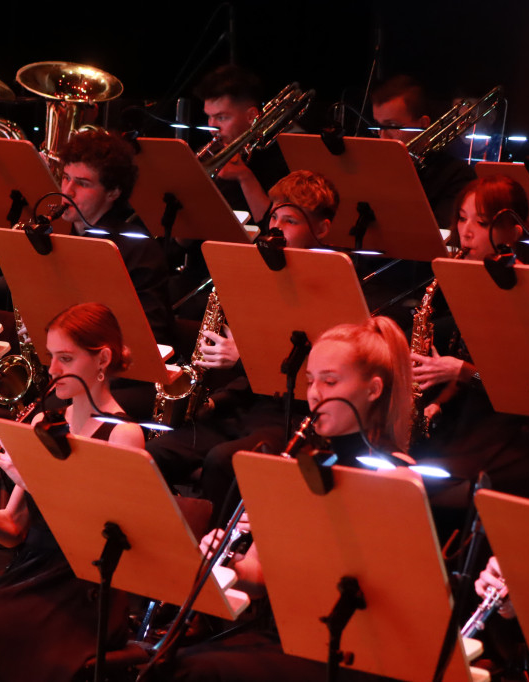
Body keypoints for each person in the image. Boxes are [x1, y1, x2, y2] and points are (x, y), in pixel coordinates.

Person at [165, 318, 412, 682]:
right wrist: (227, 562)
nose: (314, 394)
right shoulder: (298, 462)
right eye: (310, 381)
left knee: (196, 672)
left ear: (373, 389)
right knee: (167, 662)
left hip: (355, 649)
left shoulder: (398, 476)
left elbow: (385, 594)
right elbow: (258, 577)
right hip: (288, 634)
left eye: (330, 381)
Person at [0, 302, 143, 682]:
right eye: (50, 357)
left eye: (65, 358)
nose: (53, 370)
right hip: (30, 573)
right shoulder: (44, 421)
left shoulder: (123, 434)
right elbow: (13, 529)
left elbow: (101, 537)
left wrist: (36, 484)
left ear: (102, 359)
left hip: (82, 589)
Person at [146, 170, 339, 498]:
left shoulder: (335, 283)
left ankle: (218, 544)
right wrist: (213, 401)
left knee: (222, 461)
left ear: (321, 229)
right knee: (154, 455)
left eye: (290, 220)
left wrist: (245, 356)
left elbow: (322, 371)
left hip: (296, 416)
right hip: (247, 408)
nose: (275, 228)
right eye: (274, 217)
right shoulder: (263, 275)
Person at [411, 175, 529, 500]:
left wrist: (461, 372)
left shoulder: (526, 296)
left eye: (480, 222)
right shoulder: (467, 281)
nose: (465, 232)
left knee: (428, 489)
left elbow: (516, 393)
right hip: (463, 421)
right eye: (462, 218)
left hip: (507, 431)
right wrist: (438, 402)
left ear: (513, 232)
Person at [58, 129, 174, 348]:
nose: (68, 191)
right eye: (66, 178)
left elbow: (150, 336)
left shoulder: (140, 250)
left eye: (82, 183)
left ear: (113, 193)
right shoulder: (63, 239)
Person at [370, 75, 476, 230]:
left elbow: (438, 236)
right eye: (378, 126)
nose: (383, 136)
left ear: (423, 124)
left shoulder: (456, 175)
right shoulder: (371, 169)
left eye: (392, 125)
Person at [195, 65, 290, 224]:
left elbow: (273, 230)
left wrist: (244, 176)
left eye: (222, 117)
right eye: (209, 117)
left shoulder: (280, 157)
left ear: (251, 116)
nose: (212, 128)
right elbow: (179, 242)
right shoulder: (207, 154)